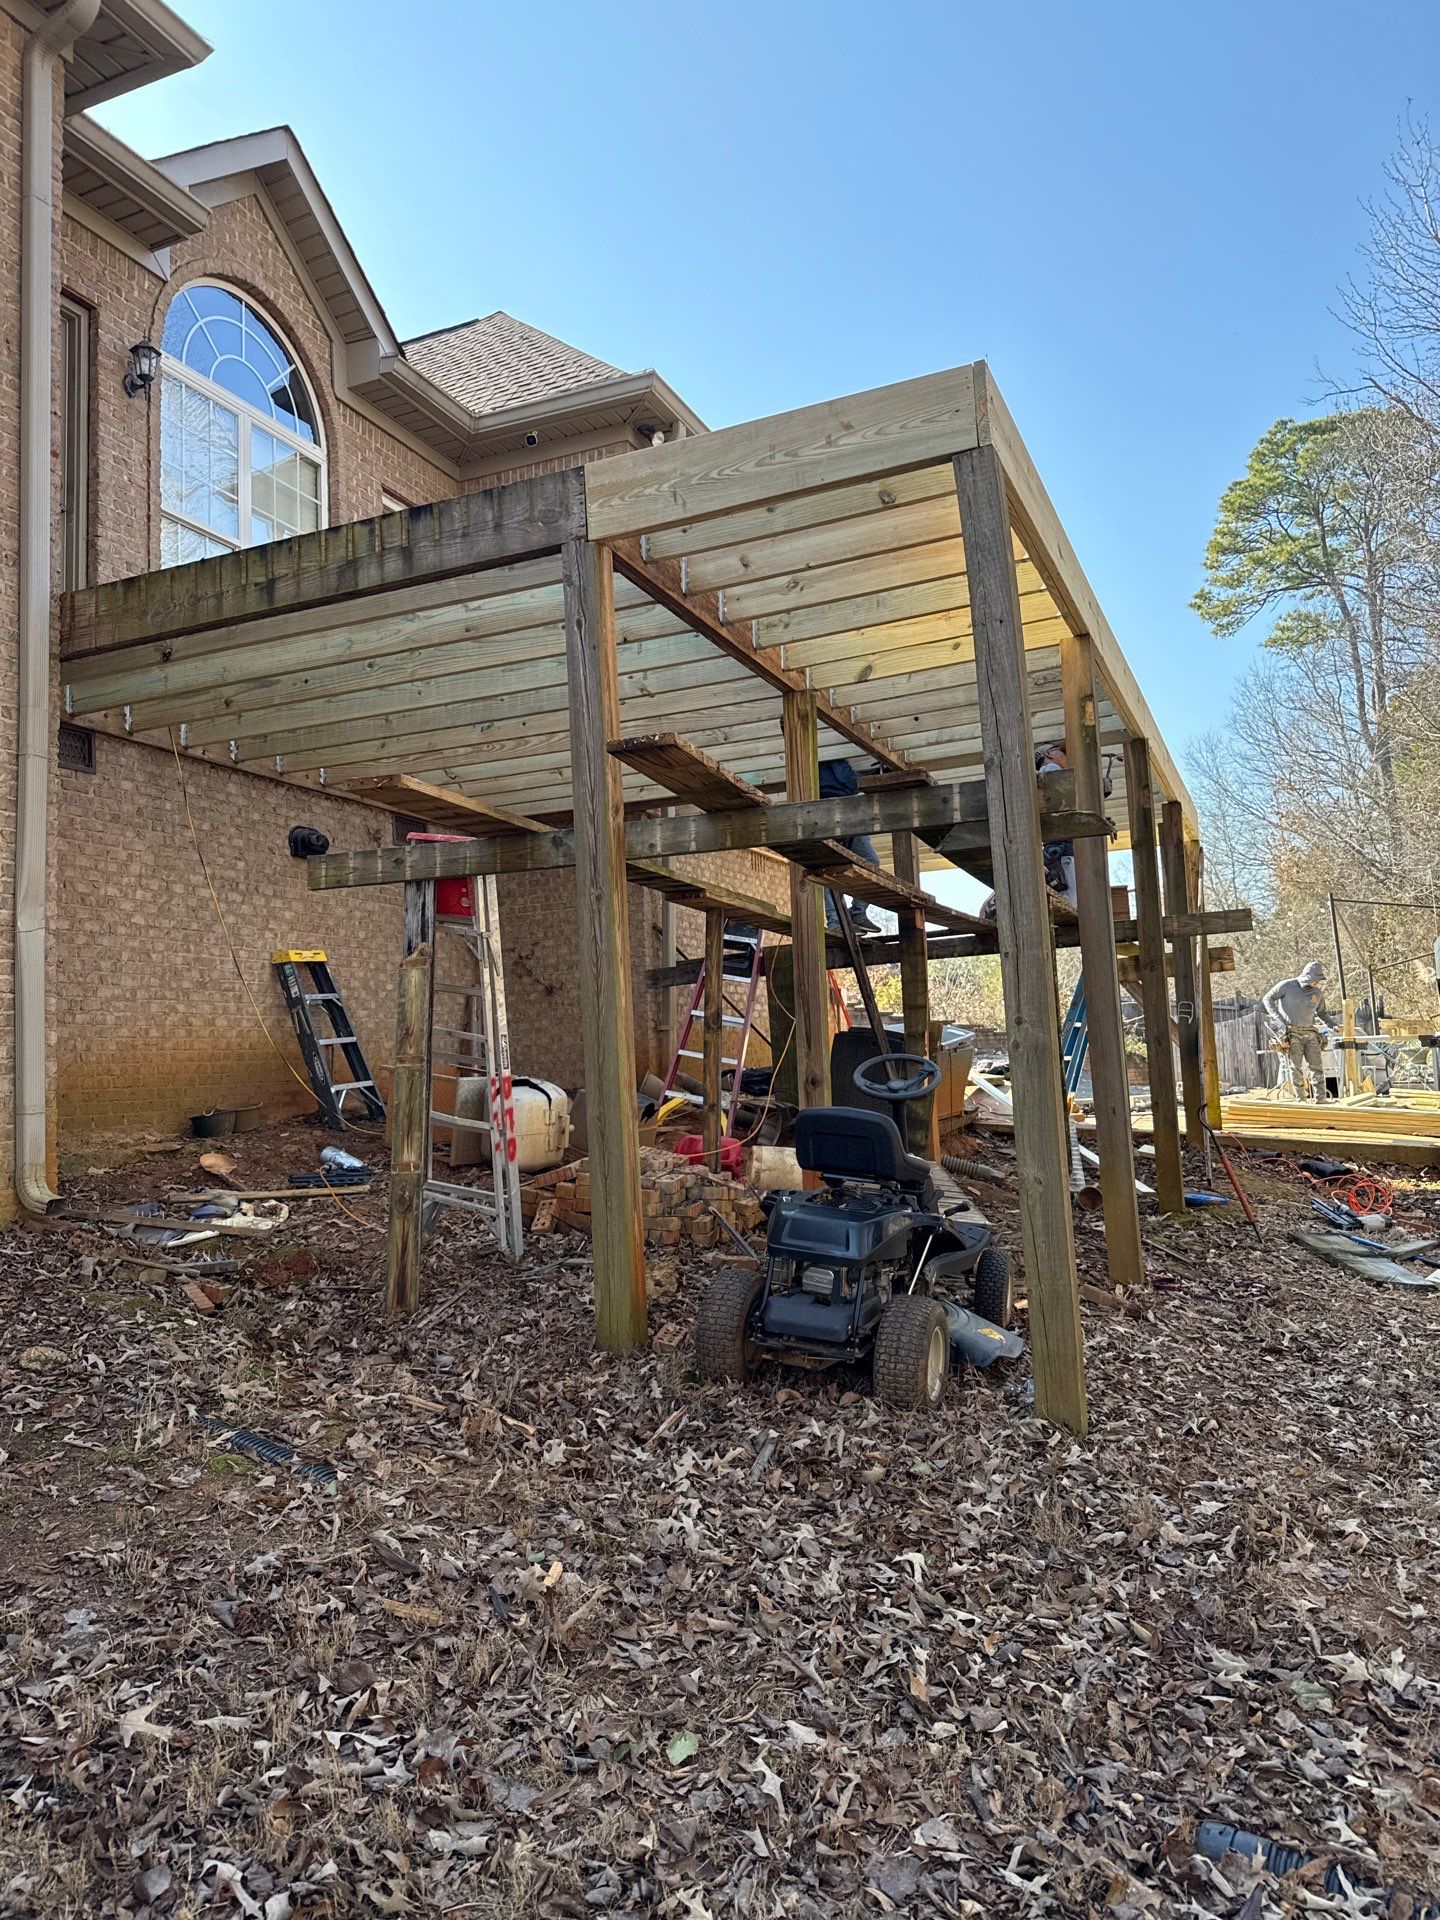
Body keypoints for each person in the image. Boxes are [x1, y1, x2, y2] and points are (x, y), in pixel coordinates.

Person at [818, 757, 881, 932]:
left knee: (868, 861)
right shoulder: (830, 749)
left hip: (845, 807)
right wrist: (867, 779)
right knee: (831, 867)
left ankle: (855, 914)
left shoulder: (828, 750)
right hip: (833, 807)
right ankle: (838, 920)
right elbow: (847, 779)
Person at [1262, 961, 1335, 1101]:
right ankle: (1301, 1099)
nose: (1317, 983)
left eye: (1319, 980)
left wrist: (1334, 1026)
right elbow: (1268, 998)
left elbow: (1323, 1013)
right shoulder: (1287, 986)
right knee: (1295, 1068)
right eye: (1316, 979)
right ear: (1308, 976)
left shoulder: (1317, 993)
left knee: (1317, 1067)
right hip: (1292, 1032)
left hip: (1311, 1033)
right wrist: (1277, 1018)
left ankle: (1321, 1099)